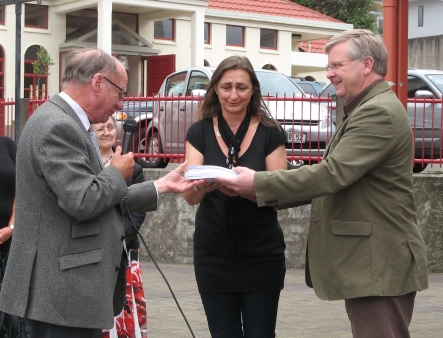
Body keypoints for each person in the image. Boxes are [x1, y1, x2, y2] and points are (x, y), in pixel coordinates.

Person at [216, 30, 429, 338]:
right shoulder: (368, 108)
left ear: (367, 64)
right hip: (374, 265)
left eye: (336, 65)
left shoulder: (377, 112)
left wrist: (257, 184)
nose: (329, 74)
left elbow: (330, 175)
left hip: (380, 266)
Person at [0, 48, 201, 338]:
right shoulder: (58, 126)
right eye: (120, 93)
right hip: (62, 292)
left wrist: (160, 186)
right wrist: (116, 172)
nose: (122, 103)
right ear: (98, 83)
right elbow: (83, 201)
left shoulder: (64, 120)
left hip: (66, 291)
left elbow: (93, 196)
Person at [182, 55, 288, 338]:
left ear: (253, 89)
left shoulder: (271, 133)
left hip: (262, 254)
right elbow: (190, 197)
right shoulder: (199, 131)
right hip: (213, 255)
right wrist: (206, 185)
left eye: (241, 87)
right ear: (215, 87)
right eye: (226, 86)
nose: (233, 95)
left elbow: (280, 194)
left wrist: (247, 190)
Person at [93, 116, 148, 338]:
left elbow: (139, 208)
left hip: (125, 248)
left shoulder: (133, 167)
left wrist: (118, 233)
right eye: (100, 129)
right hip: (97, 249)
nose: (107, 132)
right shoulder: (88, 165)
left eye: (110, 128)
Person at [0, 136, 30, 338]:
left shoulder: (6, 144)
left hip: (10, 242)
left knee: (12, 315)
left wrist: (12, 225)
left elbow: (24, 185)